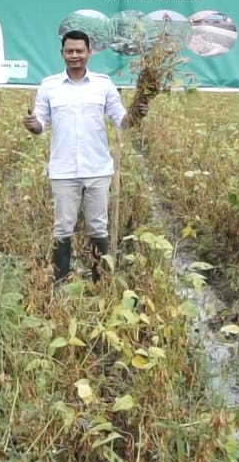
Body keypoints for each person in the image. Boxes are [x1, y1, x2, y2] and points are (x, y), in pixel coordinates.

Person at [22, 30, 147, 283]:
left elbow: (122, 120)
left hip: (98, 169)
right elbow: (40, 125)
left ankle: (100, 280)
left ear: (89, 53)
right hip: (63, 170)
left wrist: (138, 112)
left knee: (98, 227)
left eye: (80, 51)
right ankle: (60, 280)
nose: (75, 55)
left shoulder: (103, 84)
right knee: (62, 229)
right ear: (62, 54)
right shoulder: (49, 86)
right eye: (70, 51)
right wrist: (32, 124)